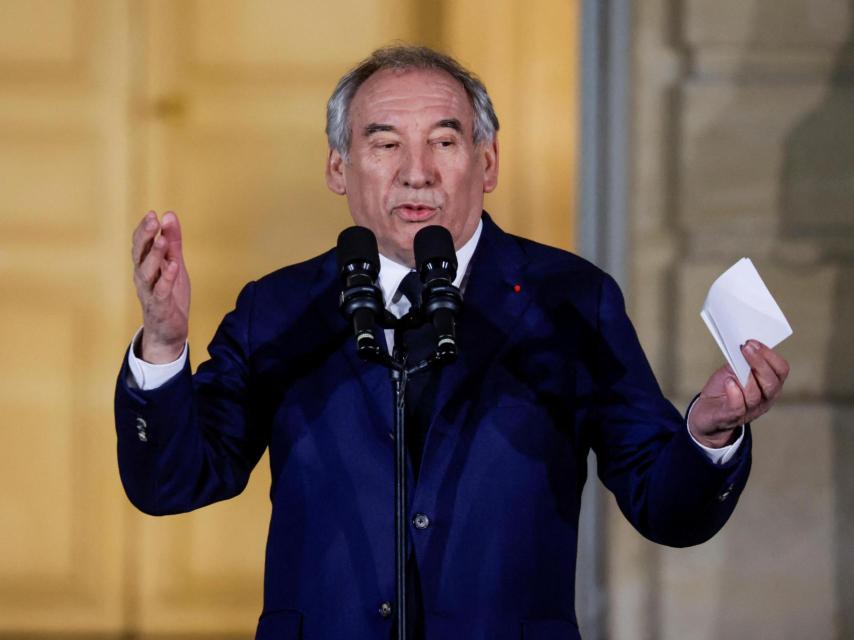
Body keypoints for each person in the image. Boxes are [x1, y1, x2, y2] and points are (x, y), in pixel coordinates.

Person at [115, 46, 789, 640]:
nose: (417, 172)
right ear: (337, 167)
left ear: (487, 161)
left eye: (444, 141)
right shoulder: (281, 307)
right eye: (383, 144)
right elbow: (173, 481)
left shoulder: (571, 299)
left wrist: (707, 435)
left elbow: (666, 508)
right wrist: (164, 345)